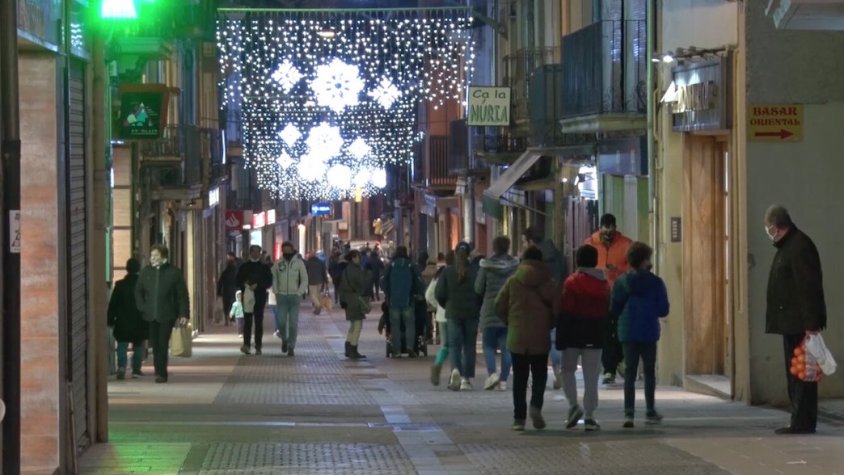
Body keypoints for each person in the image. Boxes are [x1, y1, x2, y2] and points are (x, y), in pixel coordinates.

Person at [764, 205, 826, 435]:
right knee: (797, 372)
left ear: (777, 227)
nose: (769, 233)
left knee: (803, 373)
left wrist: (811, 325)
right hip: (791, 322)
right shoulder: (789, 246)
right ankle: (798, 418)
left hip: (800, 323)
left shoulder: (799, 247)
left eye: (769, 229)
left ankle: (803, 421)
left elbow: (807, 288)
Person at [496, 246, 559, 431]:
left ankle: (519, 419)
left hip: (517, 335)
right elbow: (557, 310)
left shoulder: (513, 281)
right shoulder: (549, 282)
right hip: (540, 335)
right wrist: (550, 324)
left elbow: (498, 305)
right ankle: (535, 406)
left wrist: (509, 320)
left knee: (520, 378)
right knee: (540, 375)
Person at [612, 242, 669, 428]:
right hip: (648, 331)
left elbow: (614, 308)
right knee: (649, 372)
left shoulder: (621, 282)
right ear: (645, 260)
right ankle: (650, 410)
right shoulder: (655, 282)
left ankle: (629, 414)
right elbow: (663, 310)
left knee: (629, 373)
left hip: (627, 331)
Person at [557, 245, 611, 431]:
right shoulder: (604, 284)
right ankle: (589, 415)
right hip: (595, 333)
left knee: (567, 370)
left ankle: (573, 405)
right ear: (595, 260)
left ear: (578, 261)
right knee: (591, 375)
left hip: (573, 332)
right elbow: (607, 309)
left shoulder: (571, 282)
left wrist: (561, 334)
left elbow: (565, 309)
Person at [585, 213, 633, 385]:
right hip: (599, 295)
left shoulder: (626, 244)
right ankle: (609, 369)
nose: (608, 232)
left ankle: (617, 360)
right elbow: (584, 266)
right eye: (606, 228)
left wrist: (618, 270)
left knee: (620, 330)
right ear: (600, 228)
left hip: (621, 295)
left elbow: (632, 268)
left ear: (615, 228)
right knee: (605, 331)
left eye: (611, 228)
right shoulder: (590, 244)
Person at [135, 244, 189, 383]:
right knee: (154, 343)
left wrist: (183, 314)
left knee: (162, 342)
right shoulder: (146, 272)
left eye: (156, 256)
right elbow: (138, 291)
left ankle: (162, 373)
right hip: (150, 314)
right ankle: (157, 369)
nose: (152, 259)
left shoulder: (174, 273)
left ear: (164, 257)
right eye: (151, 256)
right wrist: (142, 307)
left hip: (167, 314)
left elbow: (181, 295)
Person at [522, 226, 566, 389]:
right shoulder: (558, 256)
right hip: (555, 302)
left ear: (531, 241)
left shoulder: (530, 259)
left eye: (524, 242)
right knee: (554, 341)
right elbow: (565, 277)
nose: (523, 246)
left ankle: (534, 377)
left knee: (535, 344)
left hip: (535, 305)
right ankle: (558, 371)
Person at [475, 236, 519, 391]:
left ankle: (492, 374)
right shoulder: (515, 266)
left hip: (489, 311)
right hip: (508, 311)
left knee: (488, 346)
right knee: (507, 347)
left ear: (494, 247)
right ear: (508, 247)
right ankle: (504, 380)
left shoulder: (486, 266)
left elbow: (478, 288)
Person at [436, 242, 481, 390]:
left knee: (454, 345)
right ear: (469, 255)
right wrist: (477, 306)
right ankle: (465, 379)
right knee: (469, 346)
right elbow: (481, 291)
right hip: (471, 313)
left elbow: (439, 293)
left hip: (453, 313)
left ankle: (455, 369)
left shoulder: (447, 271)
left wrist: (447, 305)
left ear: (455, 254)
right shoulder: (475, 271)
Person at [108, 258, 147, 380]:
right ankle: (136, 370)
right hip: (139, 322)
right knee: (139, 345)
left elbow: (112, 305)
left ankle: (122, 368)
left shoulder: (120, 285)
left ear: (127, 269)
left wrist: (110, 320)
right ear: (139, 269)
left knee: (122, 345)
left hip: (122, 322)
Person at [272, 241, 309, 356]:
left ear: (292, 250)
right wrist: (276, 291)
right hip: (281, 297)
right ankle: (284, 339)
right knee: (281, 322)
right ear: (282, 251)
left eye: (289, 250)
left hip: (294, 297)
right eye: (285, 250)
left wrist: (299, 292)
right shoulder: (278, 264)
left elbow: (304, 279)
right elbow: (274, 278)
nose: (287, 252)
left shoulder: (298, 263)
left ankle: (291, 346)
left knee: (293, 323)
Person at [383, 246, 421, 358]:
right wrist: (417, 293)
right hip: (408, 300)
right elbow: (418, 280)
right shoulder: (411, 265)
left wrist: (388, 293)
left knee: (395, 326)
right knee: (410, 324)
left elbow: (384, 280)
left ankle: (397, 350)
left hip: (394, 300)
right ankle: (410, 346)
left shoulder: (391, 265)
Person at [236, 245, 273, 355]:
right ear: (250, 253)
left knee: (258, 322)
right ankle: (246, 344)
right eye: (254, 252)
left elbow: (269, 282)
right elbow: (237, 280)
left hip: (260, 297)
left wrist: (258, 285)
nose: (256, 254)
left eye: (258, 252)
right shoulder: (244, 267)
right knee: (247, 321)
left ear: (260, 253)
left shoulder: (264, 267)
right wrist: (245, 284)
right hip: (247, 297)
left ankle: (258, 345)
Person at [340, 250, 371, 359]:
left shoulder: (346, 270)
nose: (360, 259)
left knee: (353, 325)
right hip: (355, 300)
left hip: (348, 300)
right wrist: (368, 274)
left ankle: (348, 347)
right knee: (358, 324)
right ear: (353, 258)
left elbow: (342, 286)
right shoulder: (356, 270)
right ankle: (353, 348)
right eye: (358, 257)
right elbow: (363, 282)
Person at [427, 255, 450, 385]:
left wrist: (438, 306)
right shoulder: (459, 273)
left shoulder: (439, 275)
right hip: (457, 314)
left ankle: (437, 364)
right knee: (458, 346)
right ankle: (457, 373)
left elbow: (428, 294)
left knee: (445, 345)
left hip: (442, 316)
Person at [217, 252, 239, 326]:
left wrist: (219, 292)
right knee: (233, 305)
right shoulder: (236, 272)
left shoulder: (225, 272)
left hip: (226, 291)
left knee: (226, 305)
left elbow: (220, 282)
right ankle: (232, 319)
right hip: (234, 291)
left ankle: (226, 319)